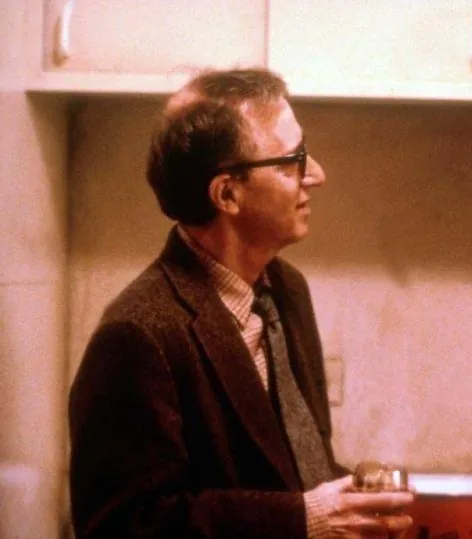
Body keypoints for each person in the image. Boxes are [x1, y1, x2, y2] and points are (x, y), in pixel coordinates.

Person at [68, 68, 414, 539]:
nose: (316, 175)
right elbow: (121, 526)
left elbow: (284, 470)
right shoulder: (137, 334)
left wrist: (353, 505)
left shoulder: (286, 291)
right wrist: (307, 519)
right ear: (227, 194)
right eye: (292, 160)